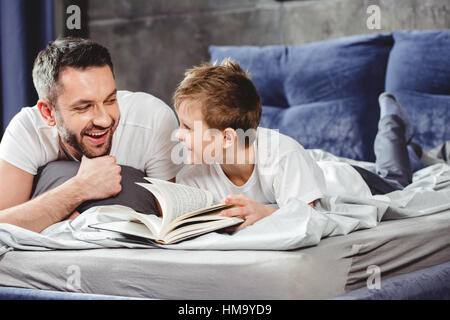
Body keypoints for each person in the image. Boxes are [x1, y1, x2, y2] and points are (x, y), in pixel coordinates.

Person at [0, 37, 181, 233]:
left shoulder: (153, 120)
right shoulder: (28, 129)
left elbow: (171, 222)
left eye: (111, 100)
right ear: (48, 113)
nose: (104, 120)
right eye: (84, 107)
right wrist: (79, 188)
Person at [173, 59, 327, 231]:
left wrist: (268, 214)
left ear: (227, 139)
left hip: (337, 175)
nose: (178, 135)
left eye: (188, 127)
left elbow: (308, 219)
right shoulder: (192, 173)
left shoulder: (284, 155)